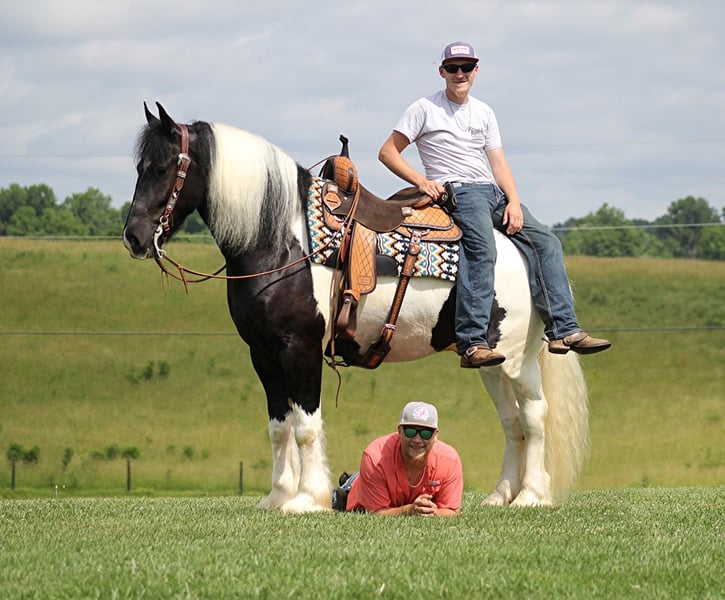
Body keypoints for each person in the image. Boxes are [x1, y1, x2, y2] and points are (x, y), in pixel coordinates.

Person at [378, 41, 611, 368]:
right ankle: (473, 342)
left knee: (547, 242)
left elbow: (498, 163)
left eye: (466, 67)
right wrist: (422, 182)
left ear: (476, 70)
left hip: (492, 192)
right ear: (442, 71)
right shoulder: (424, 108)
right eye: (453, 68)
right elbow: (387, 152)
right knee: (482, 250)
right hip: (459, 192)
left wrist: (513, 201)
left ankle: (564, 330)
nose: (460, 74)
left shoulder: (484, 112)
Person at [334, 401, 462, 516]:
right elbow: (376, 513)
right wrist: (409, 510)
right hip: (361, 488)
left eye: (426, 433)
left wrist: (434, 512)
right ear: (399, 431)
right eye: (410, 431)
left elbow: (452, 510)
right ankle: (349, 483)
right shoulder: (375, 458)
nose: (417, 440)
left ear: (435, 435)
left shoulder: (449, 460)